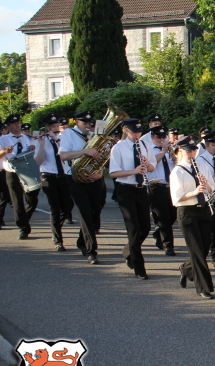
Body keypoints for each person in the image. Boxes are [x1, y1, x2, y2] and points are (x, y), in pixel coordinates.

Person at [109, 118, 156, 280]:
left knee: (146, 228)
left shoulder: (145, 145)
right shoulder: (118, 147)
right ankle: (138, 266)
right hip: (125, 189)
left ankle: (129, 250)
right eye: (133, 132)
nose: (137, 135)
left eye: (139, 132)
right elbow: (113, 173)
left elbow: (152, 167)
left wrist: (146, 164)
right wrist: (134, 171)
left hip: (141, 189)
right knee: (134, 229)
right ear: (125, 131)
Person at [170, 135, 215, 299]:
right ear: (180, 151)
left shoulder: (202, 166)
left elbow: (212, 188)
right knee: (196, 250)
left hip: (203, 210)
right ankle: (203, 287)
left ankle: (186, 268)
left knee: (204, 248)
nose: (192, 154)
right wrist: (195, 192)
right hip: (187, 212)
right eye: (188, 151)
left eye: (194, 150)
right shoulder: (177, 171)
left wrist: (206, 184)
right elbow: (177, 198)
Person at [58, 110, 103, 264]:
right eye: (84, 123)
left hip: (94, 178)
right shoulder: (68, 134)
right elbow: (63, 155)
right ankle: (91, 251)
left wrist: (100, 173)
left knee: (95, 213)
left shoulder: (94, 135)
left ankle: (81, 242)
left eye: (89, 122)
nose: (88, 125)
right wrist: (85, 151)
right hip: (75, 178)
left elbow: (102, 157)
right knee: (85, 213)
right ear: (77, 122)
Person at [0, 114, 40, 240]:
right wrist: (4, 151)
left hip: (28, 171)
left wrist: (33, 148)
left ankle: (24, 219)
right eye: (14, 124)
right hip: (12, 173)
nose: (17, 125)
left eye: (18, 123)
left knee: (32, 200)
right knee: (17, 201)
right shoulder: (3, 139)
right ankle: (23, 228)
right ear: (8, 126)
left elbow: (37, 154)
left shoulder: (28, 138)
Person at [34, 113, 72, 251]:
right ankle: (58, 240)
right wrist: (41, 145)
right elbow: (39, 161)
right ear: (47, 127)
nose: (56, 128)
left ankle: (55, 227)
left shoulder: (62, 139)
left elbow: (67, 155)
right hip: (48, 176)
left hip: (63, 176)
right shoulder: (41, 140)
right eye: (53, 126)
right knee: (55, 208)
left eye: (57, 126)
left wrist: (57, 139)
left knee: (67, 207)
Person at [196, 131, 215, 270]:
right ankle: (214, 257)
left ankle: (213, 254)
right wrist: (212, 180)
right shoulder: (200, 159)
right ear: (207, 145)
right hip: (208, 196)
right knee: (211, 229)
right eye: (213, 145)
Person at [147, 124, 177, 256]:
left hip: (171, 187)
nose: (161, 139)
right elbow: (151, 165)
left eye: (163, 137)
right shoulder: (149, 149)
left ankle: (159, 233)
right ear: (152, 137)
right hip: (156, 187)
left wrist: (176, 158)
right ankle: (168, 245)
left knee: (173, 215)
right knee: (163, 217)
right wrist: (163, 151)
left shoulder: (170, 149)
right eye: (158, 137)